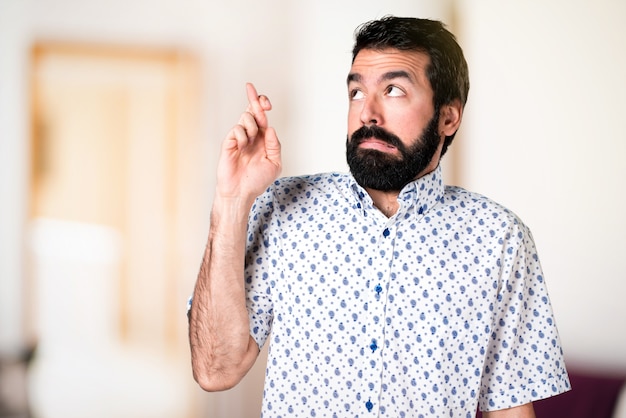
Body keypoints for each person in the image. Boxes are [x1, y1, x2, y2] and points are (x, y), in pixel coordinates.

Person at [188, 16, 570, 417]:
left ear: (448, 117)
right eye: (356, 92)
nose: (367, 112)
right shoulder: (282, 208)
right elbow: (215, 371)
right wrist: (231, 201)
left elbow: (509, 410)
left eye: (393, 90)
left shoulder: (500, 239)